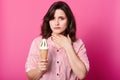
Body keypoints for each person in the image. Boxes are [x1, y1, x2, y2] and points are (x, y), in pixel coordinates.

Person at [25, 1, 89, 80]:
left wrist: (68, 47)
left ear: (69, 21)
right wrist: (39, 70)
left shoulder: (78, 44)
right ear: (48, 21)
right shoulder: (38, 43)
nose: (56, 23)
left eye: (61, 18)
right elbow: (30, 77)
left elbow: (82, 74)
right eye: (52, 18)